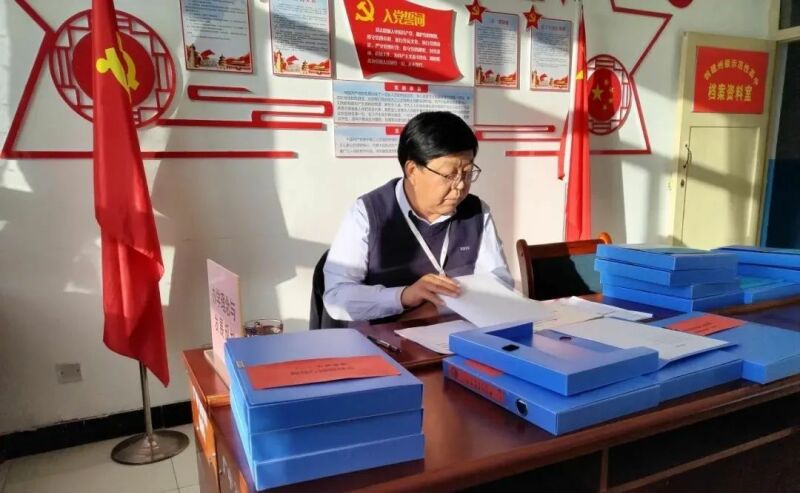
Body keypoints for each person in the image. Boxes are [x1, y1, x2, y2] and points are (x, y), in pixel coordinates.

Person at [323, 111, 512, 322]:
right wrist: (402, 297)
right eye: (450, 175)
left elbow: (500, 282)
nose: (460, 185)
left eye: (467, 173)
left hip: (458, 332)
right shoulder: (367, 213)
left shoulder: (476, 211)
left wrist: (437, 308)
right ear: (412, 170)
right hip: (384, 336)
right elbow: (336, 296)